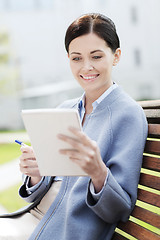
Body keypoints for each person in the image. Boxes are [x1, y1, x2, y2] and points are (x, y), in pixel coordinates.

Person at [0, 13, 148, 240]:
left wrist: (98, 172)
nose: (86, 67)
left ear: (116, 56)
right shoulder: (64, 109)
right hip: (36, 217)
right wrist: (37, 174)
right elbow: (39, 192)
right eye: (76, 58)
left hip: (67, 230)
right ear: (68, 58)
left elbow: (120, 209)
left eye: (96, 56)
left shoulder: (128, 115)